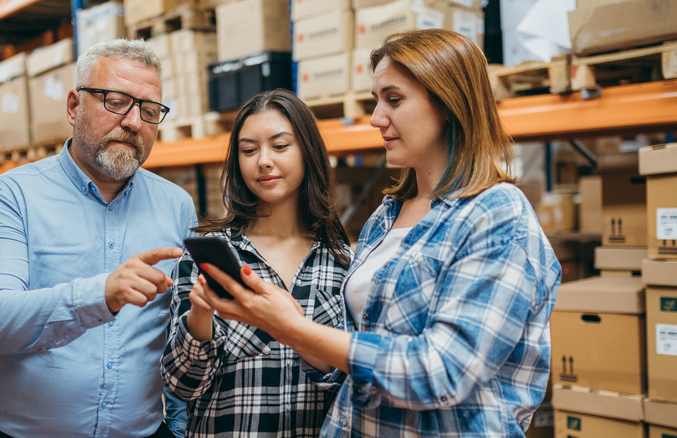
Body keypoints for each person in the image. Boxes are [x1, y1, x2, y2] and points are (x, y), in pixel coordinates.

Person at [196, 29, 562, 437]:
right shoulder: (385, 217)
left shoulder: (495, 214)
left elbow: (442, 373)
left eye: (394, 99)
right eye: (375, 100)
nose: (375, 118)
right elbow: (357, 366)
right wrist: (293, 326)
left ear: (447, 102)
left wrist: (295, 329)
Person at [0, 39, 195, 438]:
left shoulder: (176, 205)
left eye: (150, 110)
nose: (134, 122)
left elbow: (180, 333)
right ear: (74, 106)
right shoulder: (11, 195)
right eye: (116, 101)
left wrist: (177, 427)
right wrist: (100, 295)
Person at [160, 89, 353, 437]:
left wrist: (296, 331)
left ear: (308, 152)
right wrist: (200, 314)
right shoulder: (210, 255)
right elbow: (181, 386)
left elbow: (350, 378)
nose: (263, 160)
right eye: (249, 150)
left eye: (279, 146)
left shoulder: (342, 262)